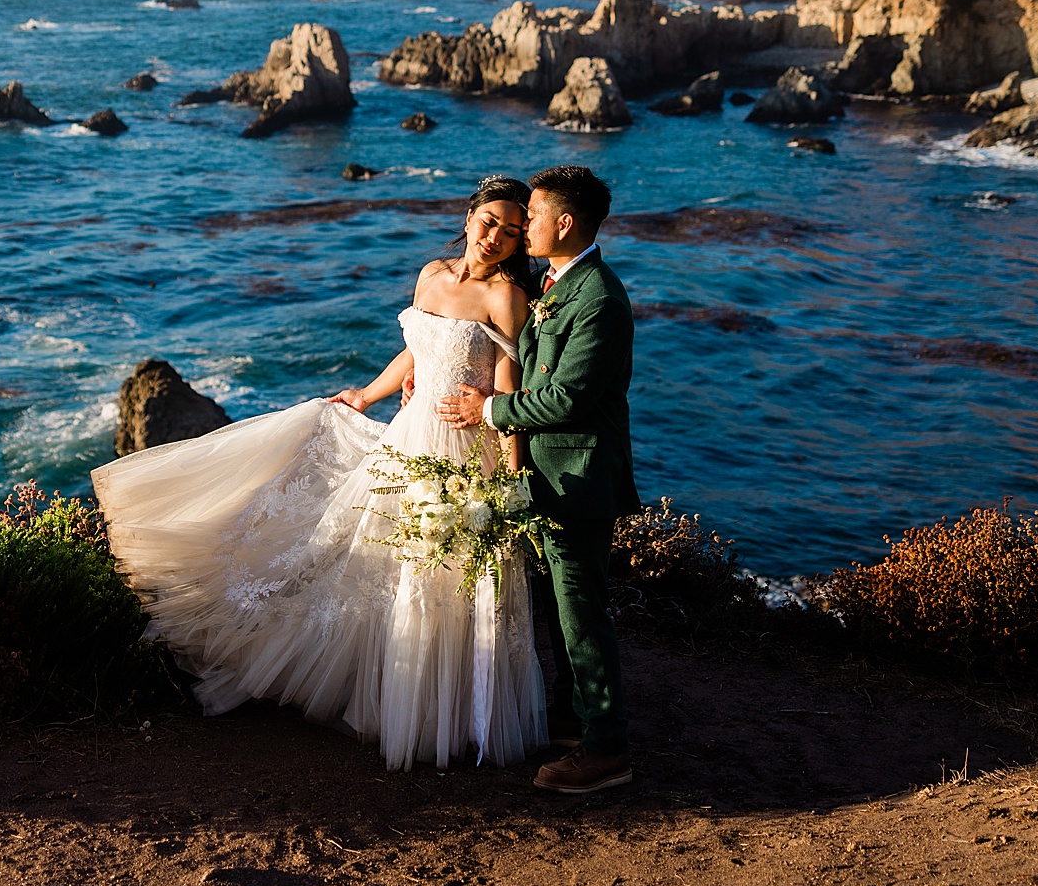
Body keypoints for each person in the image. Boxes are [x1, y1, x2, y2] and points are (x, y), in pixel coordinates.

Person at [92, 177, 552, 770]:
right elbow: (419, 349)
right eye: (490, 222)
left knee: (438, 575)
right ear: (468, 218)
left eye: (512, 232)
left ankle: (441, 712)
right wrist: (367, 394)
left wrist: (508, 484)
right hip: (411, 432)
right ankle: (386, 687)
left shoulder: (506, 296)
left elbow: (508, 386)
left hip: (463, 447)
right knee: (375, 562)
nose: (497, 238)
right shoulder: (432, 274)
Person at [436, 164, 637, 794]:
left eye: (535, 218)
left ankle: (605, 750)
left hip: (577, 479)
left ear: (565, 223)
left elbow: (567, 398)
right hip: (550, 479)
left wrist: (487, 410)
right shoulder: (558, 283)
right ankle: (575, 720)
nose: (524, 231)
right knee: (556, 608)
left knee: (581, 615)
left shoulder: (599, 297)